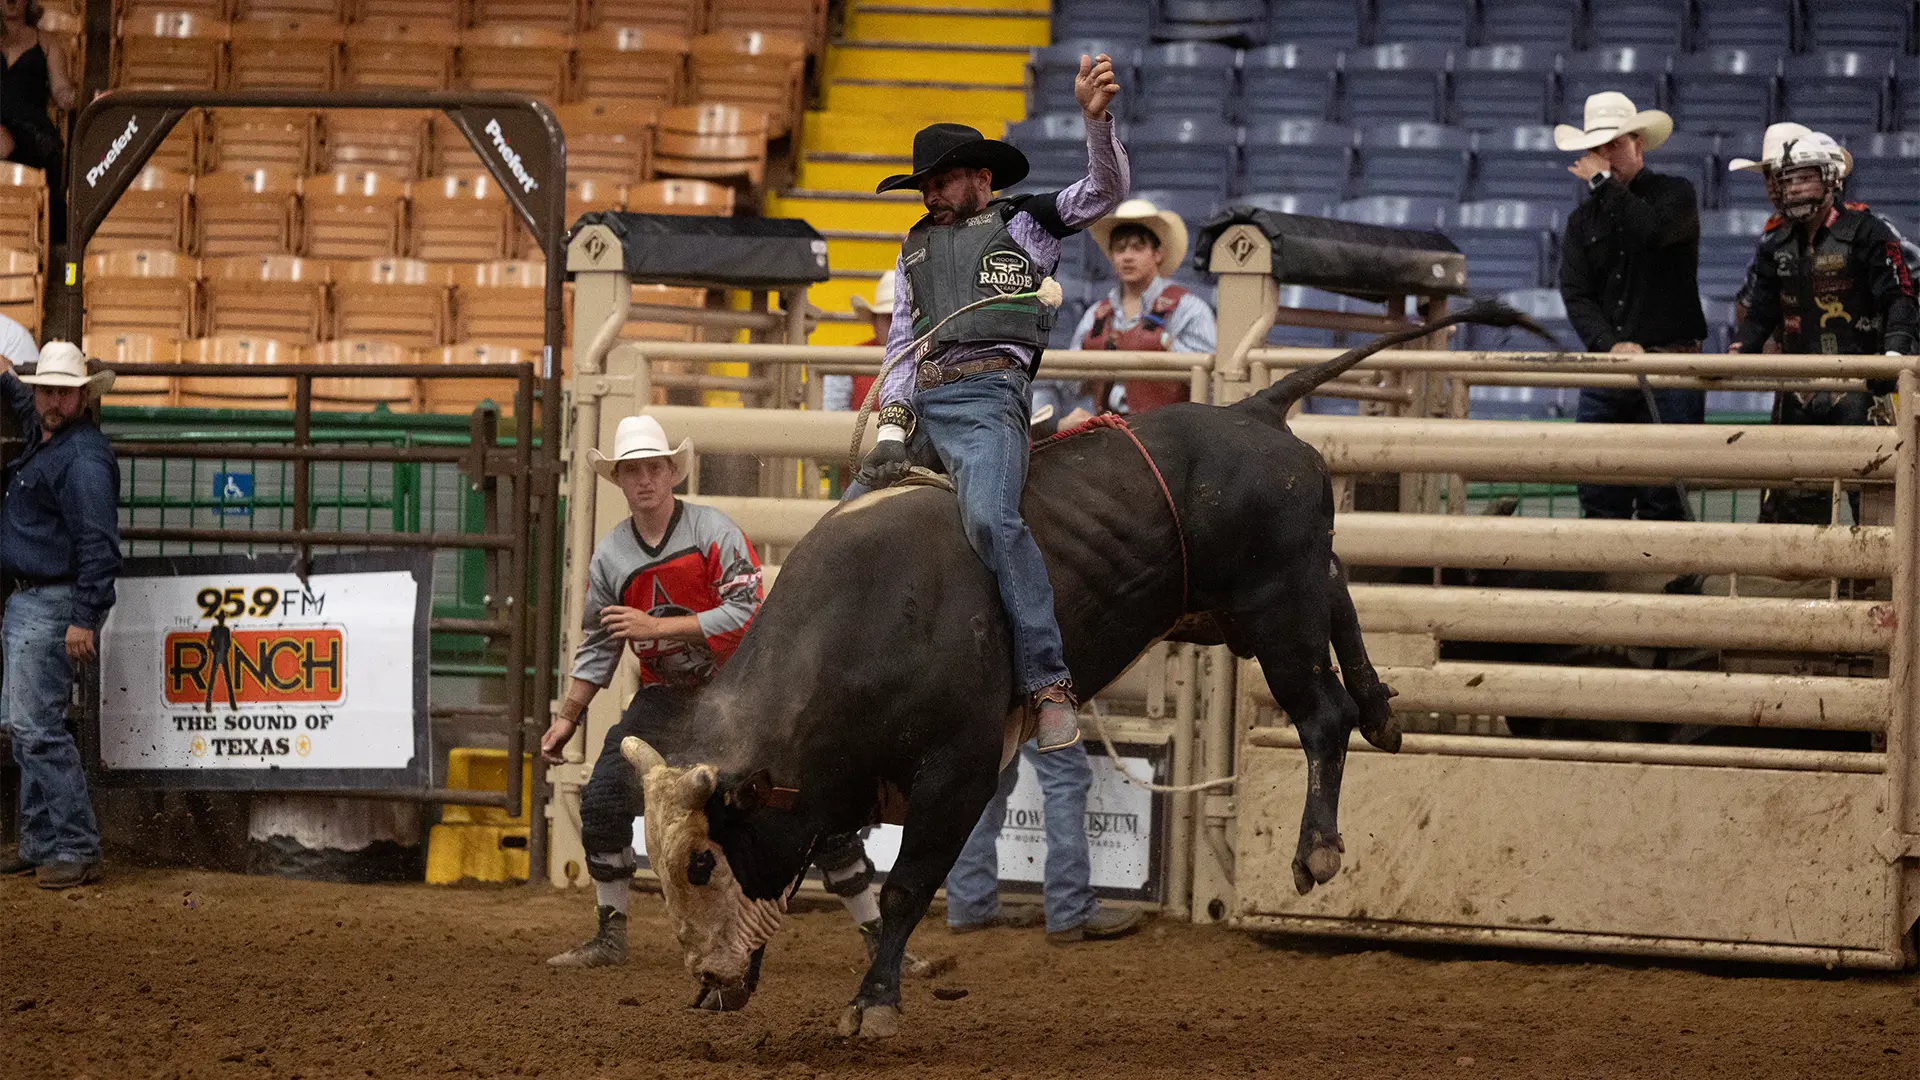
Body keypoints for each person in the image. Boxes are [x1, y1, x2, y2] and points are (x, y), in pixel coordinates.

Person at [539, 416, 902, 967]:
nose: (644, 480)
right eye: (633, 470)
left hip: (743, 694)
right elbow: (601, 642)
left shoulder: (713, 533)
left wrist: (655, 628)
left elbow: (744, 613)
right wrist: (569, 715)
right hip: (667, 699)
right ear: (621, 480)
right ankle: (609, 933)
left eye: (653, 468)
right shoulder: (612, 556)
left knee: (808, 806)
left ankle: (880, 940)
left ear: (670, 473)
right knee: (606, 796)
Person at [853, 52, 1125, 755]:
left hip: (987, 399)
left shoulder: (1028, 224)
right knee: (847, 522)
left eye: (940, 181)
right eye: (924, 185)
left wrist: (1097, 124)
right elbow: (903, 348)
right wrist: (891, 426)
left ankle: (1049, 683)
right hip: (926, 405)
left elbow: (1103, 193)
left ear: (981, 178)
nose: (929, 196)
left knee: (992, 518)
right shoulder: (912, 250)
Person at [1728, 128, 1917, 525]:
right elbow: (1761, 309)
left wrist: (1894, 355)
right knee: (1800, 499)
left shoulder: (1870, 232)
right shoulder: (1774, 243)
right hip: (1801, 390)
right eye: (1787, 179)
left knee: (1872, 500)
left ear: (1831, 178)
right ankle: (1807, 582)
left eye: (1805, 177)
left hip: (1866, 387)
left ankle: (1877, 583)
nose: (1794, 189)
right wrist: (1742, 348)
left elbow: (1899, 295)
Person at [1556, 91, 1709, 522]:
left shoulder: (1676, 195)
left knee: (1665, 489)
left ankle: (1672, 580)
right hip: (1610, 367)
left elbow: (1653, 233)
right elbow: (1576, 293)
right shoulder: (1581, 221)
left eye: (1614, 145)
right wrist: (1613, 344)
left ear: (1637, 143)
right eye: (1597, 149)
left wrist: (1603, 185)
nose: (1604, 158)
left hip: (1670, 365)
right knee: (1598, 485)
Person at [0, 341, 120, 890]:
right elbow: (33, 415)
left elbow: (98, 543)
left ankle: (74, 844)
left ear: (82, 396)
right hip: (34, 602)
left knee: (35, 729)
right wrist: (7, 377)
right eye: (44, 388)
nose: (50, 399)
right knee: (28, 729)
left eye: (61, 391)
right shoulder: (57, 440)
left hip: (49, 603)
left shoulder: (82, 458)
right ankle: (45, 841)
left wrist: (84, 616)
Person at [1069, 198, 1217, 414]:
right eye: (1120, 249)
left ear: (1157, 254)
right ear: (1112, 256)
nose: (1127, 257)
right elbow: (1072, 385)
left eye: (1138, 248)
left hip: (1171, 430)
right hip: (1108, 426)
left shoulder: (1189, 309)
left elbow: (1211, 386)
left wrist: (1165, 346)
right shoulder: (1097, 315)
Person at [0, 0, 76, 245]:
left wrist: (71, 96)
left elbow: (61, 88)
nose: (11, 1)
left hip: (30, 127)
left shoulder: (47, 42)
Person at [822, 271, 895, 413]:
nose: (897, 326)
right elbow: (833, 415)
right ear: (874, 322)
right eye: (889, 318)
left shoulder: (850, 360)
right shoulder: (849, 361)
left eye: (903, 318)